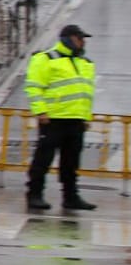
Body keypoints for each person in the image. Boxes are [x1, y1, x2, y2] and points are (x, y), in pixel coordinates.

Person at [24, 23, 96, 213]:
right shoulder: (46, 58)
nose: (83, 42)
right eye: (79, 38)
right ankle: (35, 194)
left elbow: (86, 93)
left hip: (76, 120)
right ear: (68, 39)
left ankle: (70, 196)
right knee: (43, 159)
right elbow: (34, 87)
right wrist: (40, 112)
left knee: (71, 162)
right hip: (53, 119)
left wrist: (86, 117)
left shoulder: (85, 63)